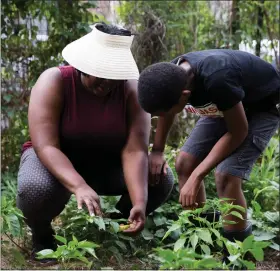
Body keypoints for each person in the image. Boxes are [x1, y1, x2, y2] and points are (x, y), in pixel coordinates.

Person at [16, 22, 174, 258]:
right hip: (56, 161)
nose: (106, 83)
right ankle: (42, 235)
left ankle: (117, 227)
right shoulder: (54, 81)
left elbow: (135, 150)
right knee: (34, 188)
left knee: (160, 178)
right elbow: (46, 145)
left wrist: (139, 203)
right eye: (100, 73)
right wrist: (78, 186)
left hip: (106, 164)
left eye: (113, 75)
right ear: (82, 65)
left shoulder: (132, 89)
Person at [137, 49, 279, 259]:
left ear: (184, 97)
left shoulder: (217, 78)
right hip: (224, 105)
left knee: (226, 175)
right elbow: (167, 111)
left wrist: (198, 176)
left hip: (261, 107)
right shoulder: (171, 74)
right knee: (184, 163)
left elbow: (238, 131)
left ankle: (237, 254)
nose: (161, 117)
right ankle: (204, 241)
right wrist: (157, 150)